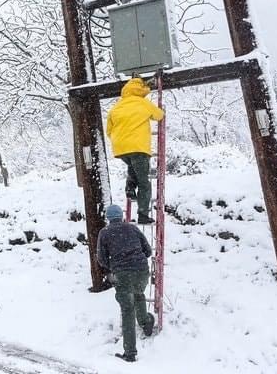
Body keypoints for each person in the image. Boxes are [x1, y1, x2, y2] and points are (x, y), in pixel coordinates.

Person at [97, 203, 155, 363]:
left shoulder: (105, 233)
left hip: (122, 274)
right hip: (141, 270)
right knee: (138, 294)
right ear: (121, 216)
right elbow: (148, 251)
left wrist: (114, 266)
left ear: (108, 218)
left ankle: (130, 352)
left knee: (127, 310)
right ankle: (145, 321)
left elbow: (101, 258)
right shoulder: (132, 228)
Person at [106, 77, 164, 224]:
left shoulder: (116, 107)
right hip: (139, 147)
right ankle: (143, 214)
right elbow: (159, 115)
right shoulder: (143, 103)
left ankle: (130, 188)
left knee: (132, 167)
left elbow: (108, 130)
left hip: (120, 148)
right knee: (144, 182)